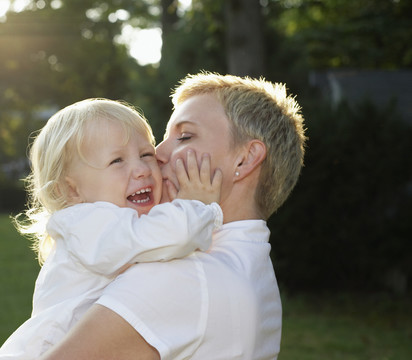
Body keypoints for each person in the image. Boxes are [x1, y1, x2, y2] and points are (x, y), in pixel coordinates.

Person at [37, 72, 307, 360]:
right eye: (164, 138)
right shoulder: (255, 271)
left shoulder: (182, 275)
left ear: (245, 158)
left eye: (185, 136)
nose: (158, 153)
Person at [0, 98, 224, 359]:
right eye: (117, 161)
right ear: (71, 190)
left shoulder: (111, 223)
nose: (141, 170)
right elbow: (171, 236)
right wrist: (197, 204)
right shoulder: (87, 223)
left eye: (146, 154)